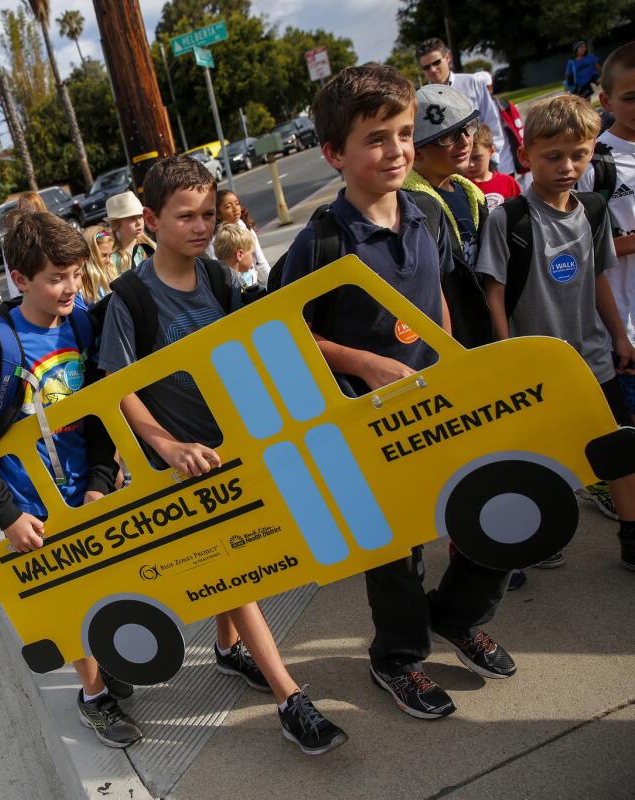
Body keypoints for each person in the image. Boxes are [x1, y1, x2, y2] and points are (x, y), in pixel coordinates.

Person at [278, 63, 516, 720]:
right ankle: (398, 657)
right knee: (395, 550)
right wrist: (366, 363)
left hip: (438, 404)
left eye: (405, 134)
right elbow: (281, 337)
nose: (397, 151)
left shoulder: (424, 212)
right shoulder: (322, 241)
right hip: (367, 426)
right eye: (376, 138)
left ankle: (457, 615)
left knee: (487, 512)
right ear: (334, 154)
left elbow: (434, 289)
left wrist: (446, 354)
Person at [97, 154, 347, 754]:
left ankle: (228, 650)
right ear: (151, 220)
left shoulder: (219, 279)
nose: (201, 226)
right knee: (235, 567)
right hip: (186, 463)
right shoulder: (129, 298)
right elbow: (119, 388)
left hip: (239, 443)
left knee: (243, 552)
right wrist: (166, 444)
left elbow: (257, 340)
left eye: (209, 213)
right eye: (185, 216)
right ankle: (291, 698)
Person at [0, 208, 144, 748]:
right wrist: (7, 514)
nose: (70, 287)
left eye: (75, 273)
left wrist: (100, 478)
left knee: (104, 585)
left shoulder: (82, 323)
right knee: (65, 602)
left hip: (86, 493)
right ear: (21, 279)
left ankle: (103, 667)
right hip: (31, 507)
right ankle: (94, 695)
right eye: (56, 278)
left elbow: (99, 410)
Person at [477, 93, 635, 572]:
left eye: (579, 154)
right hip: (538, 365)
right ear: (525, 156)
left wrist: (620, 338)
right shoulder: (509, 219)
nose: (567, 166)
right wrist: (505, 357)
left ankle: (631, 534)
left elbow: (600, 279)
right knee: (544, 454)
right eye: (553, 156)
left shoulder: (592, 210)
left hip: (595, 356)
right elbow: (494, 294)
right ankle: (544, 536)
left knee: (618, 448)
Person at [580, 43, 635, 345]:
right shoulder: (593, 163)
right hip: (624, 333)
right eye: (630, 99)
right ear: (607, 101)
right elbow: (577, 249)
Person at [403, 83, 489, 269]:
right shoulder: (412, 209)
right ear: (416, 152)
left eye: (468, 127)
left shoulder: (471, 195)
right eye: (449, 136)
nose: (465, 140)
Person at [417, 38, 514, 176]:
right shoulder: (423, 98)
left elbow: (492, 121)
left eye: (436, 62)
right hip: (452, 169)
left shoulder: (472, 83)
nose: (432, 69)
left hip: (484, 164)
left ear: (447, 57)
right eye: (426, 67)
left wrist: (493, 159)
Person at [213, 190, 270, 286]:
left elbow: (261, 261)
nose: (235, 209)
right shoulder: (215, 240)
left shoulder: (247, 229)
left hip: (252, 285)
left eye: (237, 204)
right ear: (217, 214)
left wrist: (273, 283)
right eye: (228, 207)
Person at [3, 192, 50, 299]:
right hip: (28, 293)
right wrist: (17, 298)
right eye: (24, 210)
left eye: (32, 209)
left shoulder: (50, 231)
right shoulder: (12, 238)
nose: (28, 214)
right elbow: (10, 271)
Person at [465, 124, 521, 210]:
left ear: (491, 151)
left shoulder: (508, 183)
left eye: (476, 158)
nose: (470, 164)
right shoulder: (458, 187)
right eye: (465, 157)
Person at [106, 191, 155, 273]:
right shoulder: (111, 259)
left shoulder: (150, 246)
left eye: (140, 216)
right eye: (132, 218)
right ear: (116, 223)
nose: (139, 223)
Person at [212, 222, 262, 292]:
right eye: (251, 253)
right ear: (239, 255)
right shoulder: (234, 286)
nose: (253, 258)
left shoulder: (218, 280)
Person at [81, 226, 119, 305]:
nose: (108, 261)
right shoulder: (81, 286)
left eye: (110, 255)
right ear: (90, 255)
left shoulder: (110, 274)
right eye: (104, 255)